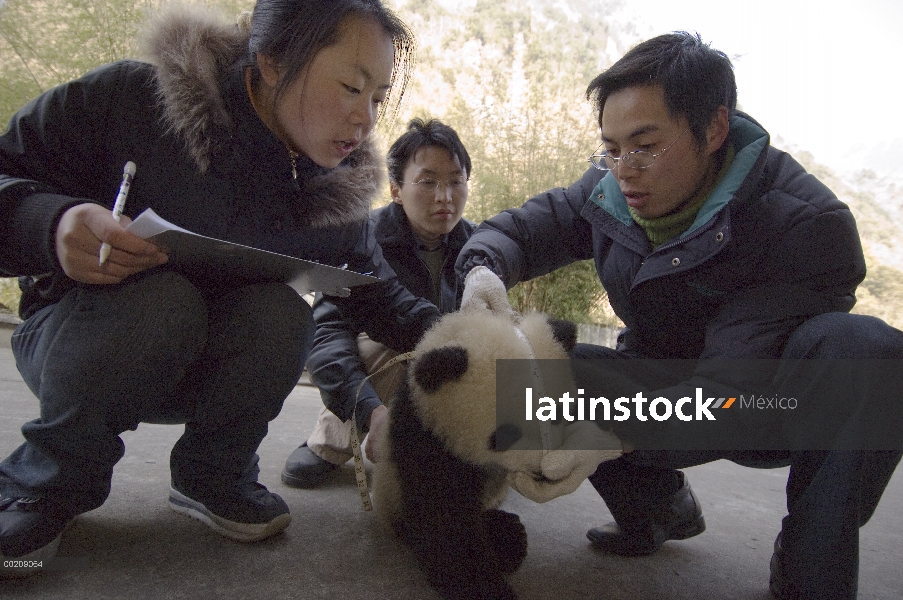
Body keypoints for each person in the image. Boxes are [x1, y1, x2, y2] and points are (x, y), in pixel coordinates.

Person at [455, 32, 903, 600]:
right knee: (536, 367)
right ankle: (658, 507)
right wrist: (482, 274)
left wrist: (609, 433)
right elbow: (518, 230)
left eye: (644, 146)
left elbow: (728, 393)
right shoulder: (608, 191)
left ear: (713, 129)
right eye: (611, 148)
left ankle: (811, 559)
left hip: (768, 404)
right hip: (665, 380)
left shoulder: (802, 223)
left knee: (868, 352)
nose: (624, 169)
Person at [0, 0, 441, 565]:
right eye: (352, 88)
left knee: (282, 313)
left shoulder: (336, 195)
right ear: (274, 61)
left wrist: (472, 337)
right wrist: (51, 223)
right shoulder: (130, 101)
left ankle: (215, 474)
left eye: (378, 98)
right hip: (76, 345)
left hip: (210, 368)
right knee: (165, 301)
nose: (367, 120)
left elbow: (379, 296)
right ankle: (42, 480)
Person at [282, 117, 475, 488]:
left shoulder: (479, 247)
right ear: (395, 190)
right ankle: (333, 441)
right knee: (382, 347)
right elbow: (328, 334)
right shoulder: (361, 239)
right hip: (389, 361)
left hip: (447, 364)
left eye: (455, 181)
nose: (444, 197)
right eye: (428, 182)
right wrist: (368, 409)